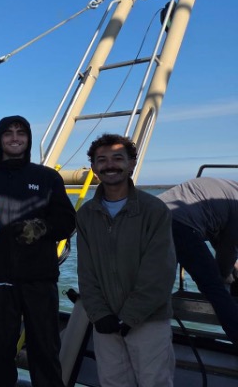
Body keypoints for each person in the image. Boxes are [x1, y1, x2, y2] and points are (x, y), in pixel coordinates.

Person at [0, 115, 76, 387]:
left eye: (21, 133)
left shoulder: (47, 177)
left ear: (29, 139)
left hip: (40, 280)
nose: (15, 138)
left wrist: (42, 227)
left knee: (45, 352)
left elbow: (68, 222)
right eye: (8, 133)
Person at [76, 133, 176, 387]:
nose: (110, 165)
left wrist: (129, 317)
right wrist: (99, 315)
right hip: (106, 324)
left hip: (149, 322)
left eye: (118, 158)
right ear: (94, 168)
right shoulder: (87, 214)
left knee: (155, 382)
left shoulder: (154, 210)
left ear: (132, 163)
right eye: (102, 160)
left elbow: (160, 272)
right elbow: (86, 272)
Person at [158, 177, 238, 348]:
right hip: (177, 226)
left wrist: (232, 264)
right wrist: (225, 274)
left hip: (148, 219)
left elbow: (218, 230)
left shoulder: (224, 186)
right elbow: (228, 249)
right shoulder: (235, 201)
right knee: (215, 287)